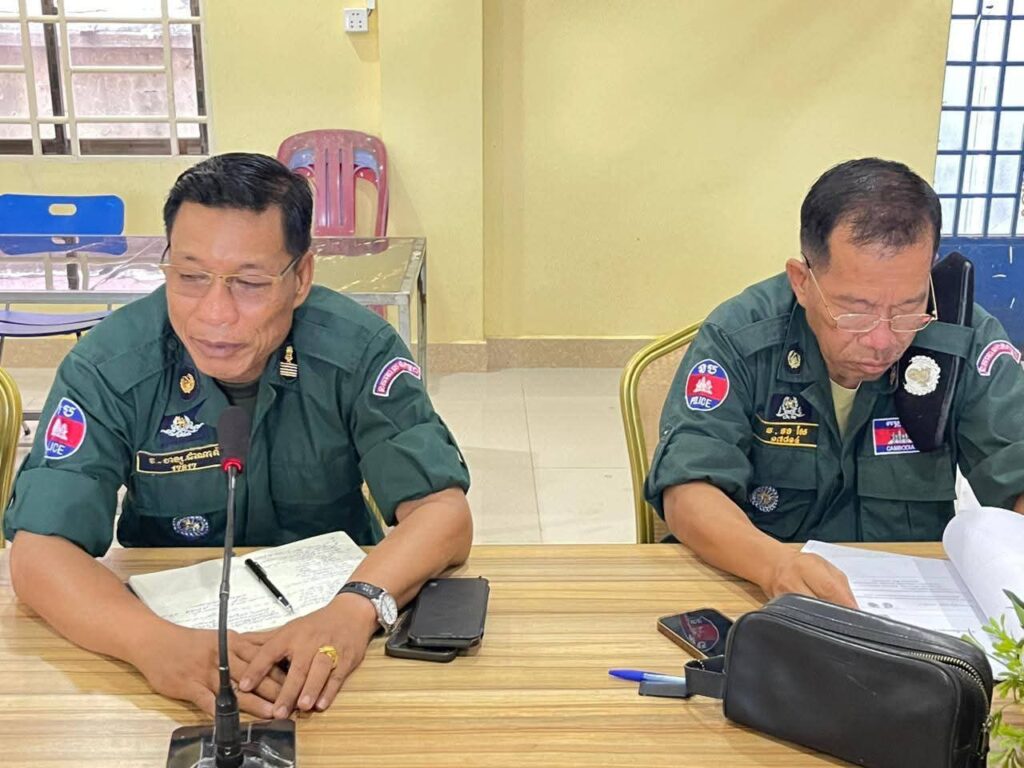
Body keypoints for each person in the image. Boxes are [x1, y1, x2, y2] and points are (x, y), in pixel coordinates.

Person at [3, 153, 473, 721]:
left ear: (301, 277)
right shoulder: (110, 365)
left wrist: (356, 607)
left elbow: (443, 514)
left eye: (249, 283)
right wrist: (151, 643)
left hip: (335, 636)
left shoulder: (357, 350)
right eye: (190, 277)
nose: (215, 313)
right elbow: (38, 554)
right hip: (169, 646)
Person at [645, 158, 1024, 608]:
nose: (883, 340)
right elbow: (689, 488)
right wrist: (773, 566)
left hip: (914, 608)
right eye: (855, 311)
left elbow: (1015, 465)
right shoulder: (741, 336)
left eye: (908, 307)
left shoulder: (963, 336)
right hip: (758, 592)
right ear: (802, 281)